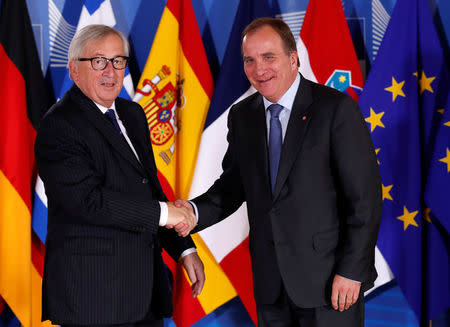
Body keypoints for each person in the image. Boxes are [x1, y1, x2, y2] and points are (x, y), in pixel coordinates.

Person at [175, 17, 382, 327]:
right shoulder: (243, 115)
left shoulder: (335, 109)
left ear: (293, 57)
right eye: (250, 60)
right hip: (271, 286)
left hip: (330, 284)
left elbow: (364, 200)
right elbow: (232, 187)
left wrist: (352, 270)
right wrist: (192, 212)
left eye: (268, 56)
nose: (259, 69)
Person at [35, 24, 204, 327]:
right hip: (94, 299)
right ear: (74, 70)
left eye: (119, 61)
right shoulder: (59, 126)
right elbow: (89, 202)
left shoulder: (132, 114)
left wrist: (184, 249)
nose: (111, 72)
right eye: (98, 61)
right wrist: (169, 214)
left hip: (143, 294)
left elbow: (147, 189)